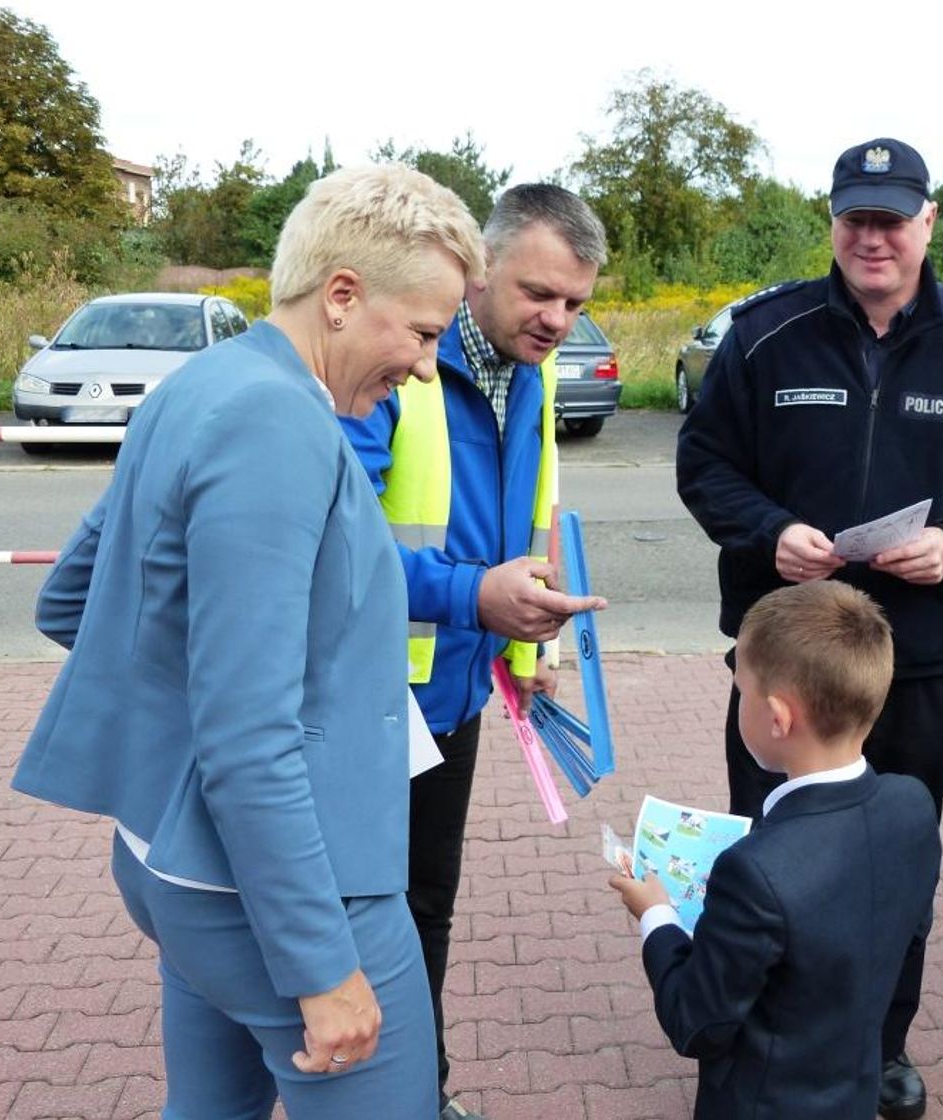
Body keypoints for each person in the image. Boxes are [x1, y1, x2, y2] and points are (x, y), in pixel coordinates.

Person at [11, 165, 485, 1120]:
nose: (428, 366)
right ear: (342, 296)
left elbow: (74, 600)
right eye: (425, 333)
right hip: (291, 885)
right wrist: (319, 963)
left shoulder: (211, 382)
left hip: (179, 862)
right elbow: (246, 731)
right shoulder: (279, 424)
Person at [676, 137, 943, 1118]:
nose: (873, 235)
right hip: (789, 663)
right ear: (833, 221)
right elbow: (704, 465)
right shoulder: (767, 336)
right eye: (857, 215)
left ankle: (881, 1045)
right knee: (767, 856)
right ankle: (749, 1035)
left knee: (898, 854)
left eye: (893, 217)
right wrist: (772, 531)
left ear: (928, 221)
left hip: (922, 664)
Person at [341, 182, 608, 1120]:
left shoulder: (529, 376)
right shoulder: (397, 365)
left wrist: (523, 657)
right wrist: (475, 596)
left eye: (575, 303)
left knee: (424, 909)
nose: (556, 319)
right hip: (365, 698)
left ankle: (420, 1093)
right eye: (539, 292)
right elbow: (342, 549)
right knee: (354, 917)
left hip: (452, 696)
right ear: (481, 266)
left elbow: (519, 527)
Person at [611, 581, 942, 1120]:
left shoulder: (753, 871)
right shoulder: (912, 805)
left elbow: (698, 1022)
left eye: (740, 686)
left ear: (779, 717)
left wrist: (657, 917)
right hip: (851, 1091)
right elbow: (907, 928)